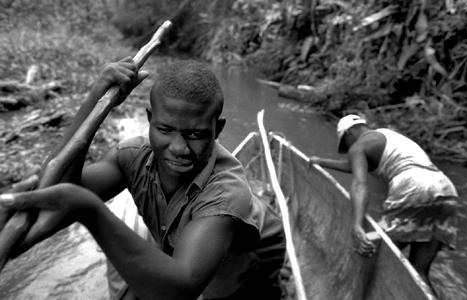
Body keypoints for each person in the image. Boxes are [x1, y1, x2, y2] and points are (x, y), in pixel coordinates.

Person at [0, 57, 285, 300]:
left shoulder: (226, 194)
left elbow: (181, 289)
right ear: (150, 119)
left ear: (217, 129)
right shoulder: (134, 155)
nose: (178, 148)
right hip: (191, 240)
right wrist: (98, 98)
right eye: (164, 129)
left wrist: (91, 210)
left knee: (225, 291)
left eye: (195, 134)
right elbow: (63, 182)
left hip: (249, 257)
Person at [309, 114, 458, 290]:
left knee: (368, 249)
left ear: (349, 133)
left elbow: (359, 184)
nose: (348, 148)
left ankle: (354, 294)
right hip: (446, 189)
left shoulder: (358, 147)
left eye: (345, 143)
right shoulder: (388, 137)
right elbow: (353, 166)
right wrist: (321, 162)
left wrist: (357, 225)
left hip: (414, 187)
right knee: (419, 272)